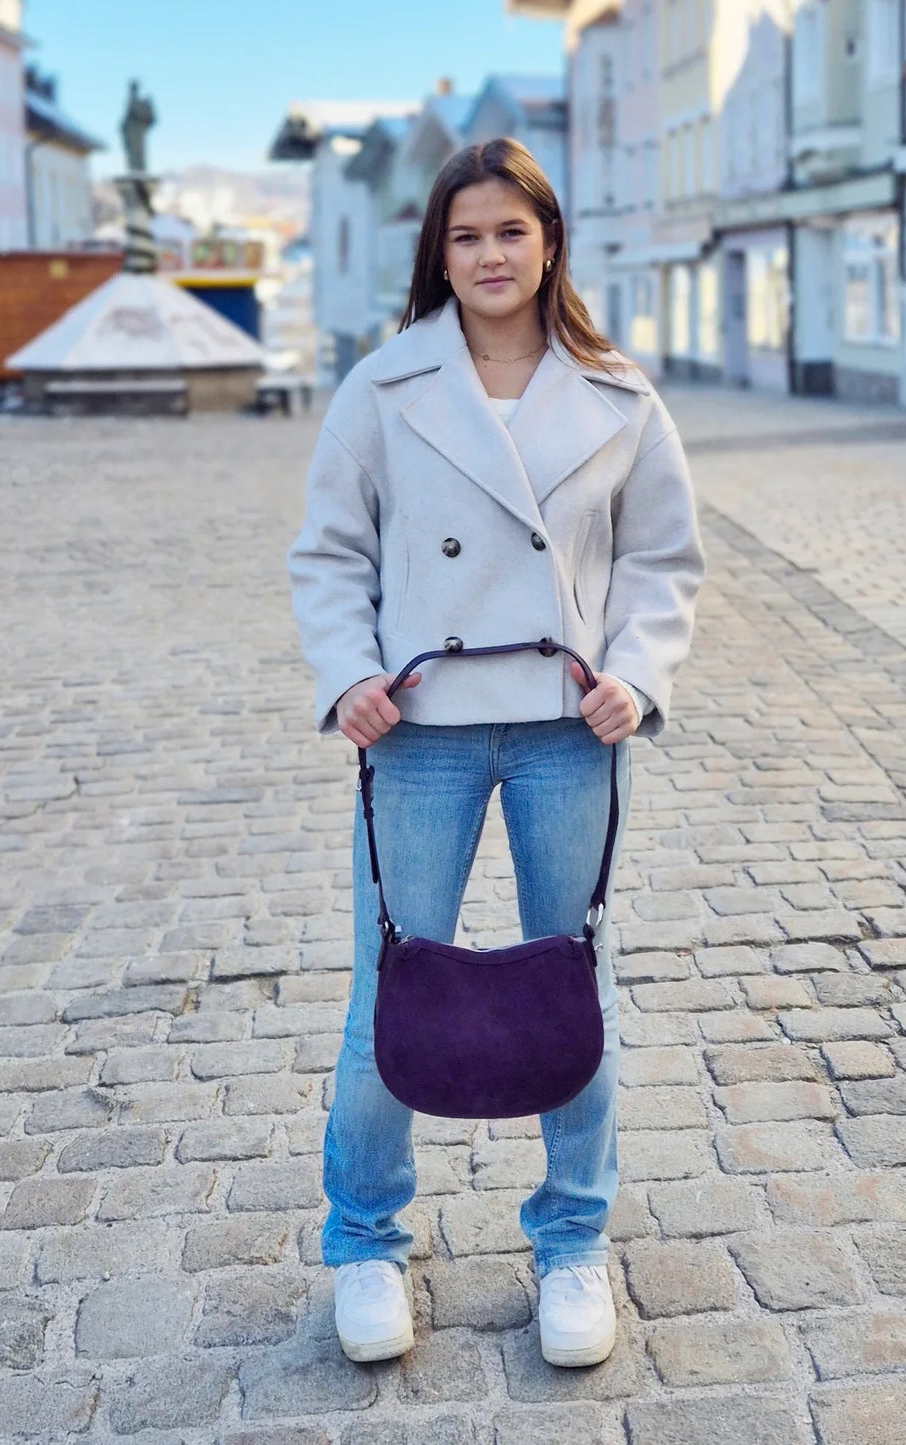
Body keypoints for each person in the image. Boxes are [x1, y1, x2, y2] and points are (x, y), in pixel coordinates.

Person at [287, 137, 703, 1369]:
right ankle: (364, 1239)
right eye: (465, 235)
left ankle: (572, 1241)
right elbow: (328, 554)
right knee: (388, 989)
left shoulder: (619, 392)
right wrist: (348, 671)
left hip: (568, 727)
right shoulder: (382, 386)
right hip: (417, 730)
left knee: (573, 984)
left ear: (548, 240)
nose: (488, 256)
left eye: (509, 232)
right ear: (439, 250)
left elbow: (661, 561)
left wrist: (635, 672)